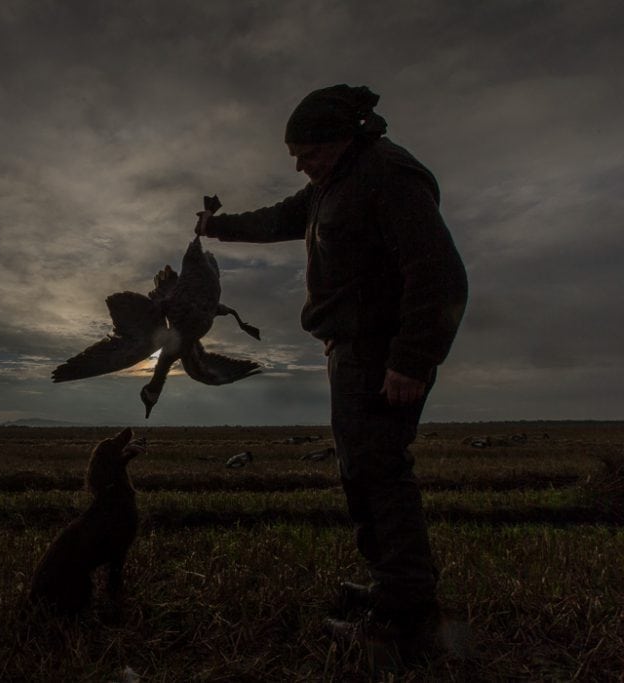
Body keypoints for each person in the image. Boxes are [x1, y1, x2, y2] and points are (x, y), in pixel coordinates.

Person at [195, 84, 468, 657]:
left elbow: (438, 273)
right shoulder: (332, 183)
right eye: (293, 154)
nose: (299, 164)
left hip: (379, 355)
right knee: (361, 474)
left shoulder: (388, 176)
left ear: (342, 138)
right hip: (349, 352)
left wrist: (411, 360)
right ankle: (389, 590)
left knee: (381, 476)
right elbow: (278, 218)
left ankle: (408, 624)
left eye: (306, 152)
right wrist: (217, 229)